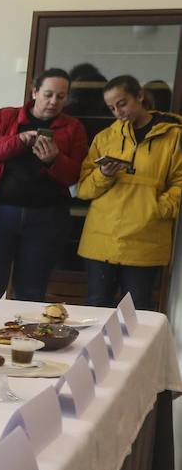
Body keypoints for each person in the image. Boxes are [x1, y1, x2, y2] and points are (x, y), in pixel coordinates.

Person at [0, 68, 88, 301]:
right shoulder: (5, 117)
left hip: (46, 219)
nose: (53, 102)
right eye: (48, 94)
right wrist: (18, 141)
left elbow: (75, 175)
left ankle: (22, 338)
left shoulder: (73, 128)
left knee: (31, 292)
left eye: (61, 97)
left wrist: (54, 160)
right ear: (35, 92)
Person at [76, 74, 182, 310]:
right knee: (95, 308)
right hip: (101, 239)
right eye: (111, 108)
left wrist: (157, 208)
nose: (117, 111)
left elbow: (179, 182)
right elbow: (83, 189)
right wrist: (104, 174)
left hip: (145, 240)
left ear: (140, 96)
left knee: (137, 313)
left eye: (122, 103)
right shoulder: (105, 138)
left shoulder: (174, 136)